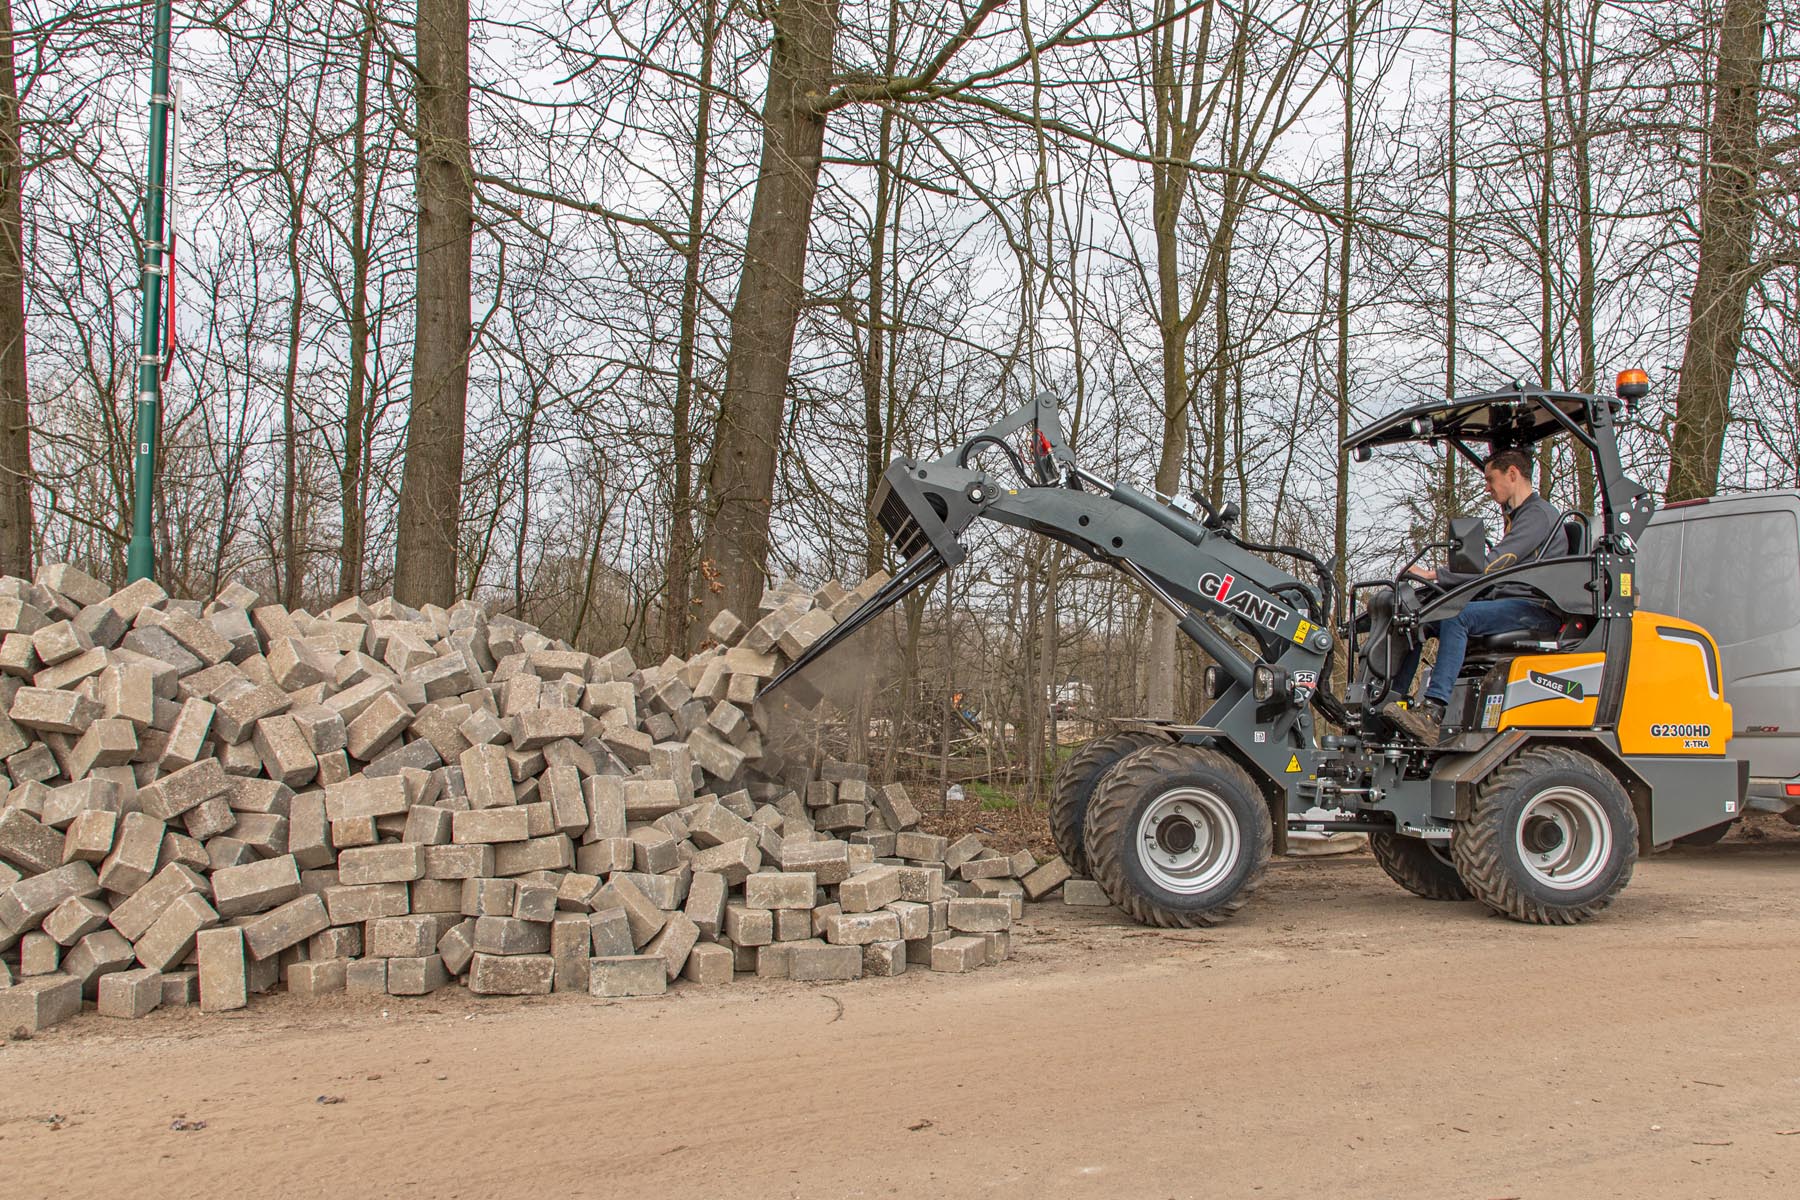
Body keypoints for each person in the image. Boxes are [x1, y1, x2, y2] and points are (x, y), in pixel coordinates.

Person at [1383, 448, 1562, 742]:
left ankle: (1432, 713)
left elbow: (1494, 565)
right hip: (1509, 600)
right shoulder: (1519, 516)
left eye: (1491, 479)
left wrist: (1435, 574)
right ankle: (1395, 702)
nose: (1487, 488)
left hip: (1535, 607)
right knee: (1421, 619)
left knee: (1458, 617)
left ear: (1513, 474)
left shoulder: (1537, 515)